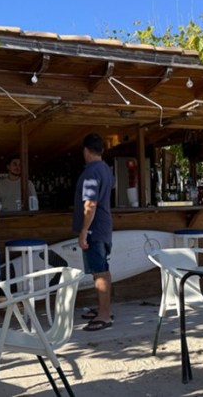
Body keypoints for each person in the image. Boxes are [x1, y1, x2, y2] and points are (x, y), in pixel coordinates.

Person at [74, 133, 115, 331]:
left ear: (85, 150)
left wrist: (83, 231)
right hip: (104, 226)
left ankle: (104, 315)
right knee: (102, 270)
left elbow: (90, 204)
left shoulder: (91, 172)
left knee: (100, 272)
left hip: (94, 228)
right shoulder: (105, 168)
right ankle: (103, 309)